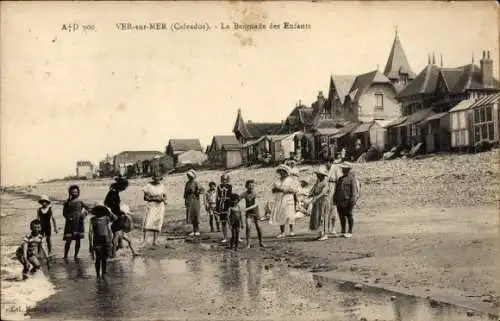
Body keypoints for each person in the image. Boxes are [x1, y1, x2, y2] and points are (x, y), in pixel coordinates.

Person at [88, 204, 117, 279]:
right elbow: (90, 232)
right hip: (98, 241)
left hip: (106, 241)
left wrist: (109, 211)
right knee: (98, 259)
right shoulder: (93, 219)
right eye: (98, 210)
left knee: (104, 259)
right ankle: (98, 274)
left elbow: (115, 218)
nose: (99, 212)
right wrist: (90, 243)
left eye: (101, 210)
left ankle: (102, 274)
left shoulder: (107, 218)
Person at [104, 176, 130, 257]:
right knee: (116, 235)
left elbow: (107, 203)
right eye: (125, 187)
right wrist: (115, 212)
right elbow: (111, 204)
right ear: (121, 186)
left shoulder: (113, 191)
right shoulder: (114, 193)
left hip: (115, 215)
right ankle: (113, 255)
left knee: (116, 234)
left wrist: (114, 212)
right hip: (116, 215)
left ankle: (112, 252)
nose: (125, 189)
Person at [270, 164, 297, 238]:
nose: (281, 172)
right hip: (279, 198)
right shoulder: (277, 180)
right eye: (280, 171)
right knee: (281, 214)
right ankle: (282, 232)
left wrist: (282, 189)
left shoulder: (290, 180)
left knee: (289, 214)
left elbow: (294, 190)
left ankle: (291, 231)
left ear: (286, 172)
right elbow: (273, 190)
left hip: (288, 198)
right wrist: (275, 189)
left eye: (283, 171)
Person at [62, 185, 89, 260]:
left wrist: (84, 214)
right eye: (73, 192)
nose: (75, 193)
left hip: (79, 222)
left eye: (76, 192)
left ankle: (76, 255)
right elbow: (64, 213)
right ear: (70, 193)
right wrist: (68, 217)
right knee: (68, 240)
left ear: (78, 193)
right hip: (69, 223)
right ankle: (65, 255)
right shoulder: (67, 202)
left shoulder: (80, 202)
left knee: (78, 240)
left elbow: (88, 208)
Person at [333, 162, 359, 238]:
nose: (343, 170)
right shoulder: (340, 179)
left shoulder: (352, 179)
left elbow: (354, 191)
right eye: (343, 169)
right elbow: (337, 190)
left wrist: (352, 201)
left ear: (348, 170)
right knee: (341, 216)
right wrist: (335, 199)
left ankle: (350, 231)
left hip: (348, 201)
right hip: (340, 201)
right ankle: (343, 230)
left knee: (349, 215)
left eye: (345, 169)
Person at [142, 172, 167, 246]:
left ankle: (155, 241)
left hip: (160, 206)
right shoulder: (148, 186)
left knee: (158, 222)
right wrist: (154, 198)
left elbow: (165, 196)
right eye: (155, 177)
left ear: (160, 178)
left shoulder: (162, 185)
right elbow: (145, 197)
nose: (157, 178)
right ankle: (145, 241)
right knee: (148, 222)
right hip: (151, 205)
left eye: (158, 177)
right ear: (153, 177)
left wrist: (163, 199)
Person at [240, 180, 264, 248]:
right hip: (249, 214)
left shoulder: (255, 194)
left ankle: (261, 242)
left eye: (252, 185)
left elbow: (255, 204)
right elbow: (238, 200)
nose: (251, 187)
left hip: (256, 213)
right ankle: (248, 244)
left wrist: (246, 209)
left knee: (259, 228)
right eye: (249, 185)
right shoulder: (244, 194)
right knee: (248, 227)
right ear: (246, 186)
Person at [308, 166, 330, 240]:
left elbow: (323, 192)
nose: (317, 175)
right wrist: (310, 194)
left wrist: (316, 198)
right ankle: (320, 233)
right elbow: (314, 188)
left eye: (319, 174)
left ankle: (325, 234)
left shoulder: (325, 182)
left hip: (323, 200)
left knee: (322, 216)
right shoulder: (318, 181)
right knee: (318, 216)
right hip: (317, 201)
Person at [184, 170, 203, 237]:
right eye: (188, 176)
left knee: (196, 215)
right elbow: (185, 193)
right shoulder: (187, 183)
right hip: (189, 201)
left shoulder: (196, 183)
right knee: (190, 216)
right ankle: (192, 230)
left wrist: (197, 191)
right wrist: (186, 201)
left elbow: (202, 190)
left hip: (195, 201)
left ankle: (197, 230)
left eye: (189, 176)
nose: (188, 177)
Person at [327, 159, 343, 236]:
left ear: (330, 162)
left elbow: (339, 180)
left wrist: (338, 192)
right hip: (326, 189)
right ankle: (327, 228)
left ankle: (333, 227)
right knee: (326, 209)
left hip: (333, 188)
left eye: (328, 162)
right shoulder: (324, 169)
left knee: (333, 209)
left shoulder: (335, 168)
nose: (326, 164)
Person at [215, 174, 232, 243]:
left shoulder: (229, 186)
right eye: (223, 180)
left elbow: (230, 196)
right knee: (223, 222)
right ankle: (225, 237)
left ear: (227, 180)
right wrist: (217, 207)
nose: (224, 181)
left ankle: (235, 236)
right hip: (221, 205)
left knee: (230, 221)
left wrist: (230, 206)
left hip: (227, 205)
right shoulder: (219, 186)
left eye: (226, 180)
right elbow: (218, 197)